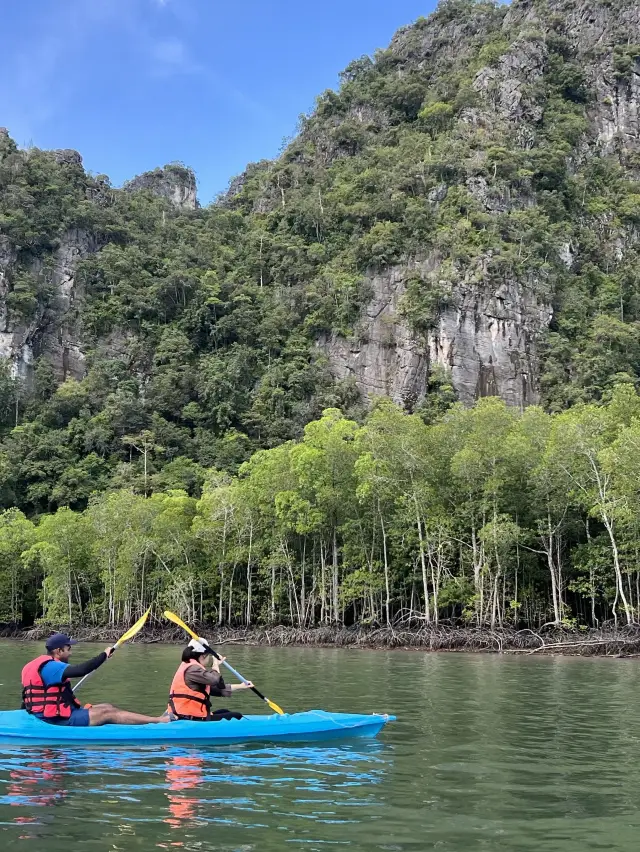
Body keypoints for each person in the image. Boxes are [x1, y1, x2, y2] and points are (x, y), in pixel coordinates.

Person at [21, 633, 175, 727]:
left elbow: (28, 697)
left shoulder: (33, 665)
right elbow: (82, 670)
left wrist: (26, 713)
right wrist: (103, 655)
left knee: (107, 705)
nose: (71, 653)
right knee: (108, 712)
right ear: (58, 651)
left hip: (50, 714)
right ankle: (159, 721)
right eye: (68, 649)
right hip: (56, 720)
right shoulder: (52, 667)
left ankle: (139, 720)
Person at [168, 639, 254, 721]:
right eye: (208, 656)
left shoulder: (188, 666)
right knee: (236, 716)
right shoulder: (193, 669)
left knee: (225, 711)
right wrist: (215, 664)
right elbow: (215, 680)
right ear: (203, 656)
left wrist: (241, 686)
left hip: (187, 714)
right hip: (189, 717)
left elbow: (215, 689)